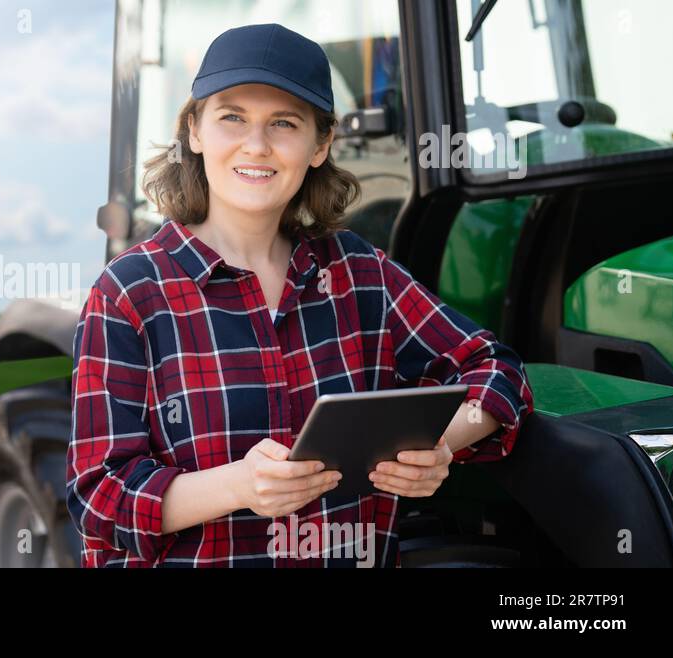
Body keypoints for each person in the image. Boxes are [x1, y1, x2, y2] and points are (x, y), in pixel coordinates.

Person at [66, 23, 533, 568]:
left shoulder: (360, 273)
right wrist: (238, 486)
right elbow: (100, 498)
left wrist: (439, 446)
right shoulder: (128, 294)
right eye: (232, 117)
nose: (256, 145)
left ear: (320, 145)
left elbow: (495, 370)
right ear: (194, 131)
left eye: (284, 123)